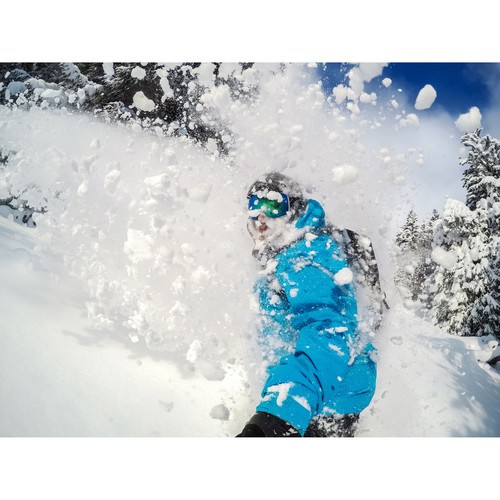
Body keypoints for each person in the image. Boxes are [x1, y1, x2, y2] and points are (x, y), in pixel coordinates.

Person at [237, 172, 378, 437]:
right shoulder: (284, 255)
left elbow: (328, 330)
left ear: (294, 208)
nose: (261, 215)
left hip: (319, 403)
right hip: (310, 395)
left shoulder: (305, 256)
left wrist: (279, 416)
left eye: (273, 204)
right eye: (255, 204)